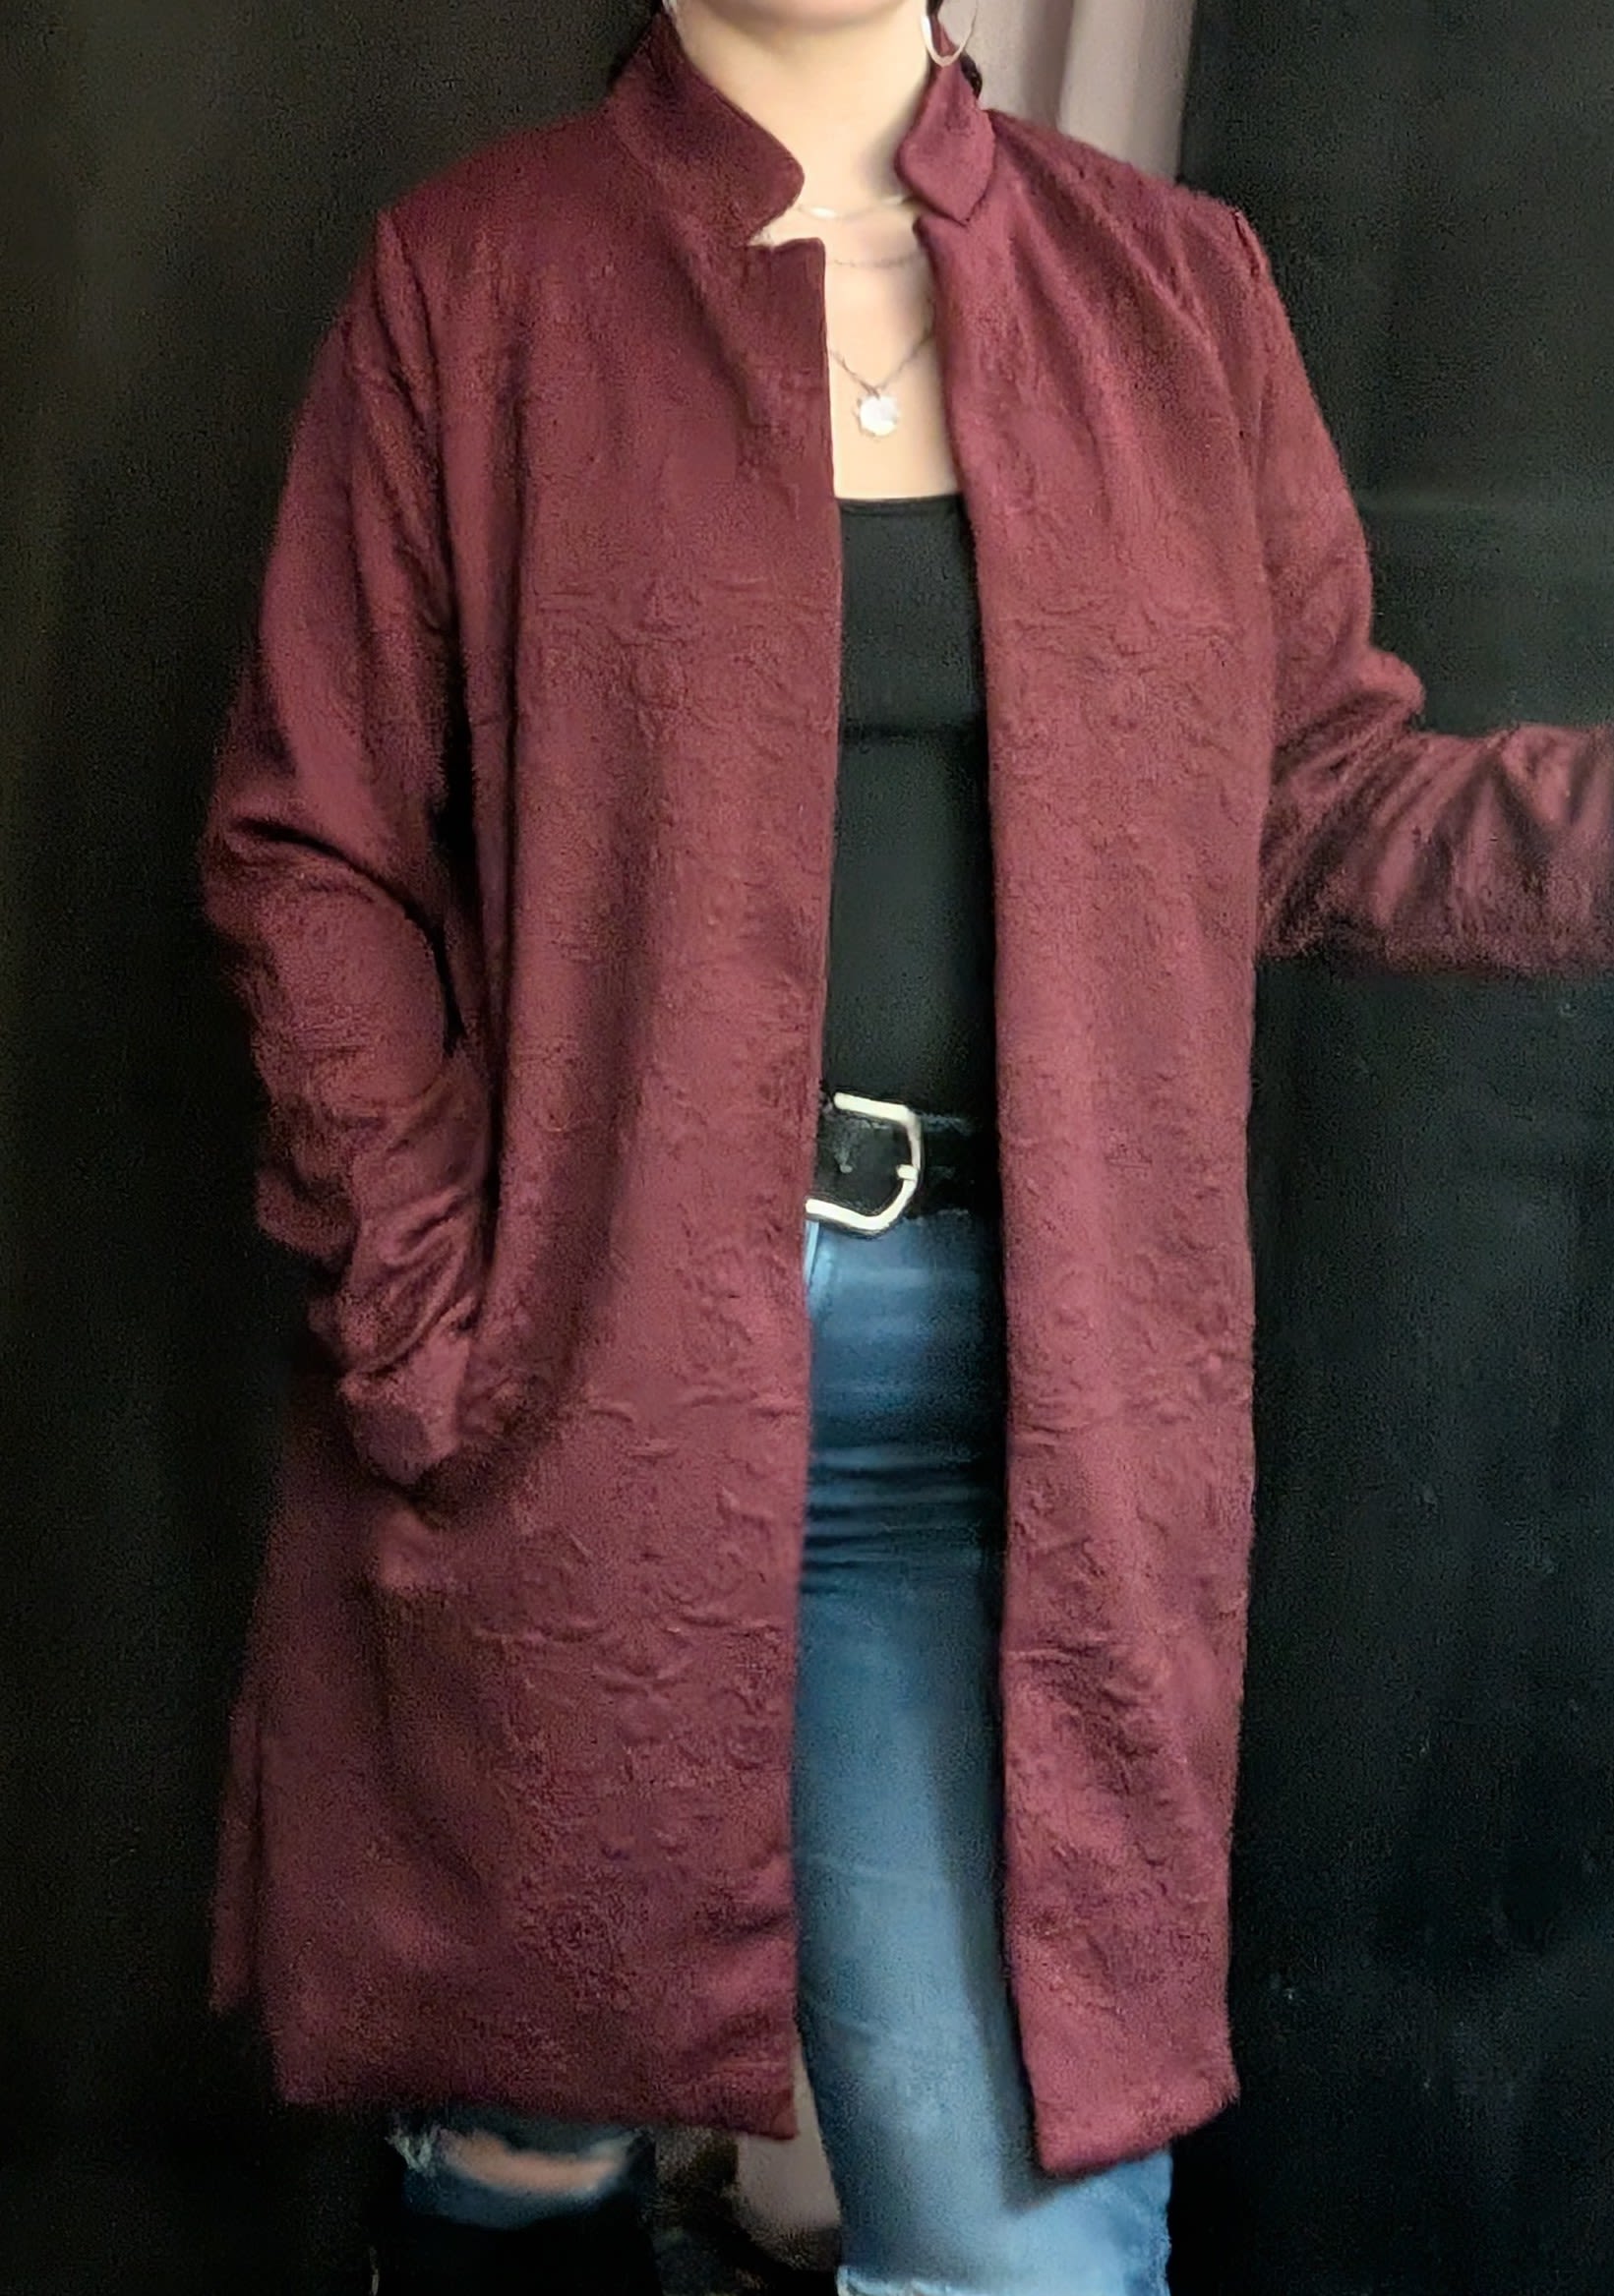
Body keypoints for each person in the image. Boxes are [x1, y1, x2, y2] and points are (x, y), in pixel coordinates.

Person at [199, 1, 1614, 2291]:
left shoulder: (1170, 290)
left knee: (1017, 2247)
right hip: (588, 1373)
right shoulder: (477, 277)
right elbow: (313, 851)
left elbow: (1315, 797)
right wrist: (437, 1313)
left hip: (1022, 1430)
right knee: (525, 2133)